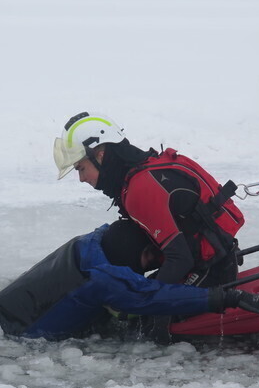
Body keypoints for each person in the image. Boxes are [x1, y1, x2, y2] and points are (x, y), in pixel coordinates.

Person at [0, 220, 259, 341]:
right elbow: (150, 295)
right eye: (149, 260)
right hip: (4, 339)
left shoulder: (89, 243)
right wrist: (227, 298)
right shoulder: (103, 279)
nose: (153, 266)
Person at [53, 112, 244, 289]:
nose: (81, 178)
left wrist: (145, 302)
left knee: (128, 306)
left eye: (81, 168)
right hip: (214, 258)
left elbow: (180, 259)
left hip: (212, 270)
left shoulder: (139, 189)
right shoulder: (144, 169)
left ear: (100, 156)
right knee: (119, 242)